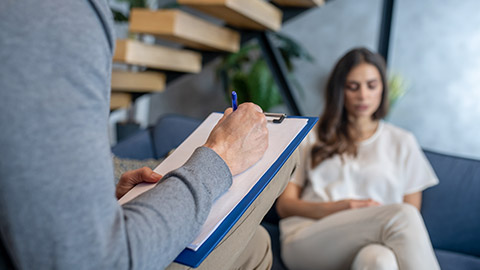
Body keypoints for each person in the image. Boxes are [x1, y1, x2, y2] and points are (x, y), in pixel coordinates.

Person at [0, 1, 296, 269]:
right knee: (287, 158)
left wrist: (102, 191)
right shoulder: (56, 16)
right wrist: (222, 157)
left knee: (255, 242)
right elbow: (92, 261)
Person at [276, 48, 440, 270]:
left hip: (373, 240)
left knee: (379, 260)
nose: (363, 95)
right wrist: (340, 208)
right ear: (339, 90)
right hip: (309, 237)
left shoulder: (403, 141)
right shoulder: (311, 137)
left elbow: (413, 212)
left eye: (371, 86)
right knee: (401, 216)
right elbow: (285, 206)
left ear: (382, 88)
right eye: (353, 87)